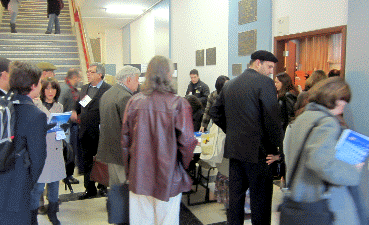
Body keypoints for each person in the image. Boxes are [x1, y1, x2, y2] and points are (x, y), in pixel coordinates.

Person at [210, 50, 283, 225]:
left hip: (235, 152)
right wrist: (277, 150)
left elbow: (215, 112)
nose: (271, 71)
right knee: (261, 203)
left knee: (235, 199)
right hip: (259, 153)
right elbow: (272, 119)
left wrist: (233, 131)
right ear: (258, 62)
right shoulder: (264, 83)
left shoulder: (230, 84)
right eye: (269, 66)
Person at [122, 55, 197, 224]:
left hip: (139, 174)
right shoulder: (179, 103)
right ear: (169, 76)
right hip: (168, 176)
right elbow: (187, 142)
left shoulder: (134, 102)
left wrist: (130, 170)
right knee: (167, 220)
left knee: (141, 221)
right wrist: (181, 167)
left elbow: (125, 141)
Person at [283, 77, 364, 225]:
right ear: (335, 98)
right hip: (317, 201)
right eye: (344, 99)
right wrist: (352, 170)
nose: (345, 105)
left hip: (298, 198)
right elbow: (320, 162)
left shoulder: (303, 118)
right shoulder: (327, 123)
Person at [0, 61, 47, 224]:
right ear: (33, 86)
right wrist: (26, 186)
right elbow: (38, 160)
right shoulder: (34, 115)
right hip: (15, 193)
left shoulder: (0, 103)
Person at [96, 65, 140, 191]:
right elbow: (130, 128)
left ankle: (115, 208)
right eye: (137, 80)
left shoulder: (107, 94)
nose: (138, 83)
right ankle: (121, 210)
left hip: (108, 150)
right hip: (120, 152)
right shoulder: (126, 97)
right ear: (128, 80)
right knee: (123, 188)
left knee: (115, 186)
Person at [31, 77, 66, 225]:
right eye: (47, 88)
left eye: (53, 88)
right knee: (38, 186)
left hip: (56, 149)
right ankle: (32, 215)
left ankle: (53, 212)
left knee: (54, 185)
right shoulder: (35, 104)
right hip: (40, 149)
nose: (50, 91)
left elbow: (61, 130)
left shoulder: (60, 106)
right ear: (42, 90)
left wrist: (63, 129)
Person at [75, 62, 111, 200]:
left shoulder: (108, 89)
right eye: (88, 71)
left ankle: (102, 187)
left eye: (91, 71)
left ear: (100, 74)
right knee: (87, 160)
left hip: (101, 132)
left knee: (101, 160)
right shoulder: (85, 89)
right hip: (85, 131)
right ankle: (89, 189)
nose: (88, 74)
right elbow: (81, 107)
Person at [58, 68, 82, 183]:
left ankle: (69, 175)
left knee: (71, 150)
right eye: (78, 78)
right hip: (66, 126)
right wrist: (70, 114)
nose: (80, 80)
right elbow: (59, 107)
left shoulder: (71, 89)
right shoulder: (65, 90)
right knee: (68, 151)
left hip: (71, 125)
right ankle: (67, 176)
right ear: (74, 78)